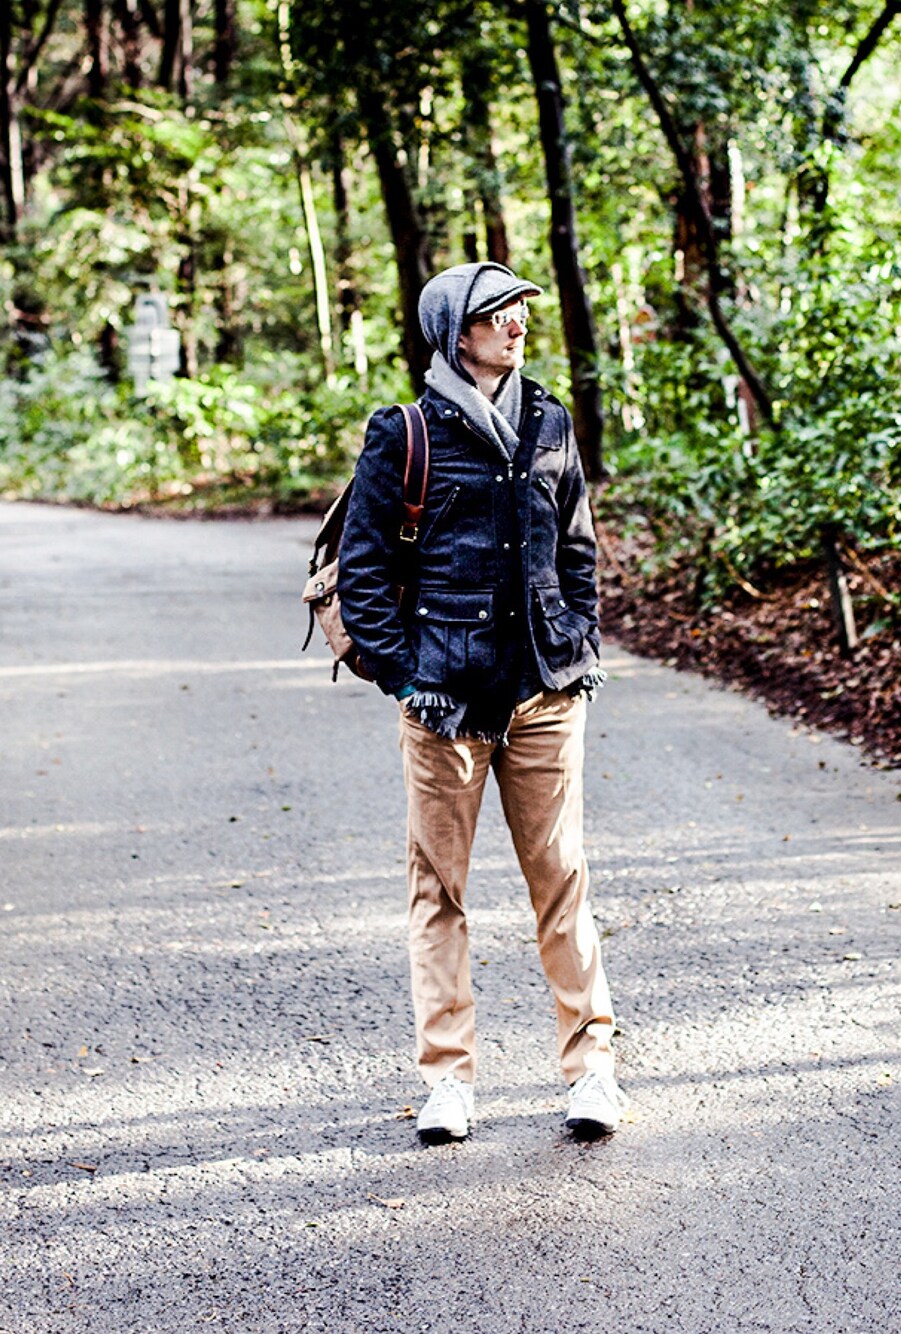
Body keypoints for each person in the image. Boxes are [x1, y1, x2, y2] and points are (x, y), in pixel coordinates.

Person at [338, 260, 627, 1142]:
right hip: (444, 707)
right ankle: (449, 1081)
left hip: (545, 693)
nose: (516, 322)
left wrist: (578, 643)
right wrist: (405, 678)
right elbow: (363, 573)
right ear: (454, 331)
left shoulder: (549, 420)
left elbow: (576, 547)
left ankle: (592, 1072)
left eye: (520, 309)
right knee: (439, 893)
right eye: (498, 311)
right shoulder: (406, 433)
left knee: (562, 881)